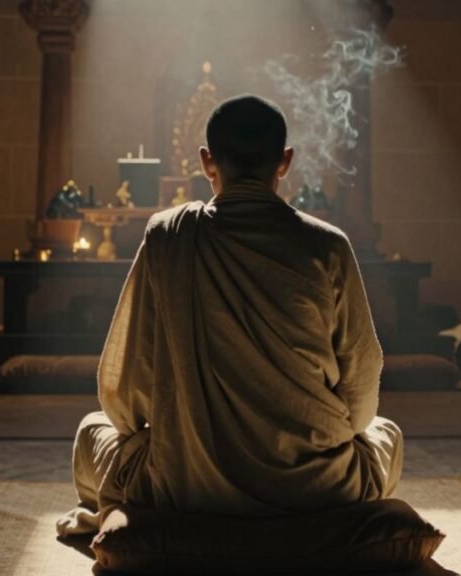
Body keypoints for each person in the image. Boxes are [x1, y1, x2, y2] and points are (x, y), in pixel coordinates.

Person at [57, 94, 403, 537]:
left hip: (184, 488)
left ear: (206, 161)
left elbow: (122, 393)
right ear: (285, 161)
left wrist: (178, 431)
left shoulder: (168, 236)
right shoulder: (328, 246)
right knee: (385, 432)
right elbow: (361, 392)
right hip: (319, 488)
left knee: (93, 431)